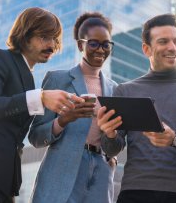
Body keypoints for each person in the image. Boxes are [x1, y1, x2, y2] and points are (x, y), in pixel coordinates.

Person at [0, 7, 83, 203]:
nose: (52, 45)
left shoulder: (28, 79)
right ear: (25, 34)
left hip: (2, 185)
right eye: (45, 36)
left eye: (55, 39)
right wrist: (41, 97)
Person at [97, 13, 176, 203]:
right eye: (163, 41)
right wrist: (109, 134)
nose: (172, 47)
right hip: (135, 192)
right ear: (146, 49)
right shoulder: (125, 90)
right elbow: (112, 149)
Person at [28, 12, 118, 203]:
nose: (100, 50)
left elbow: (116, 145)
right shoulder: (57, 79)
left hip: (100, 175)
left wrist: (110, 138)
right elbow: (36, 136)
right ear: (80, 45)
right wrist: (63, 120)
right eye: (93, 43)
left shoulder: (115, 89)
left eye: (106, 44)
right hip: (62, 170)